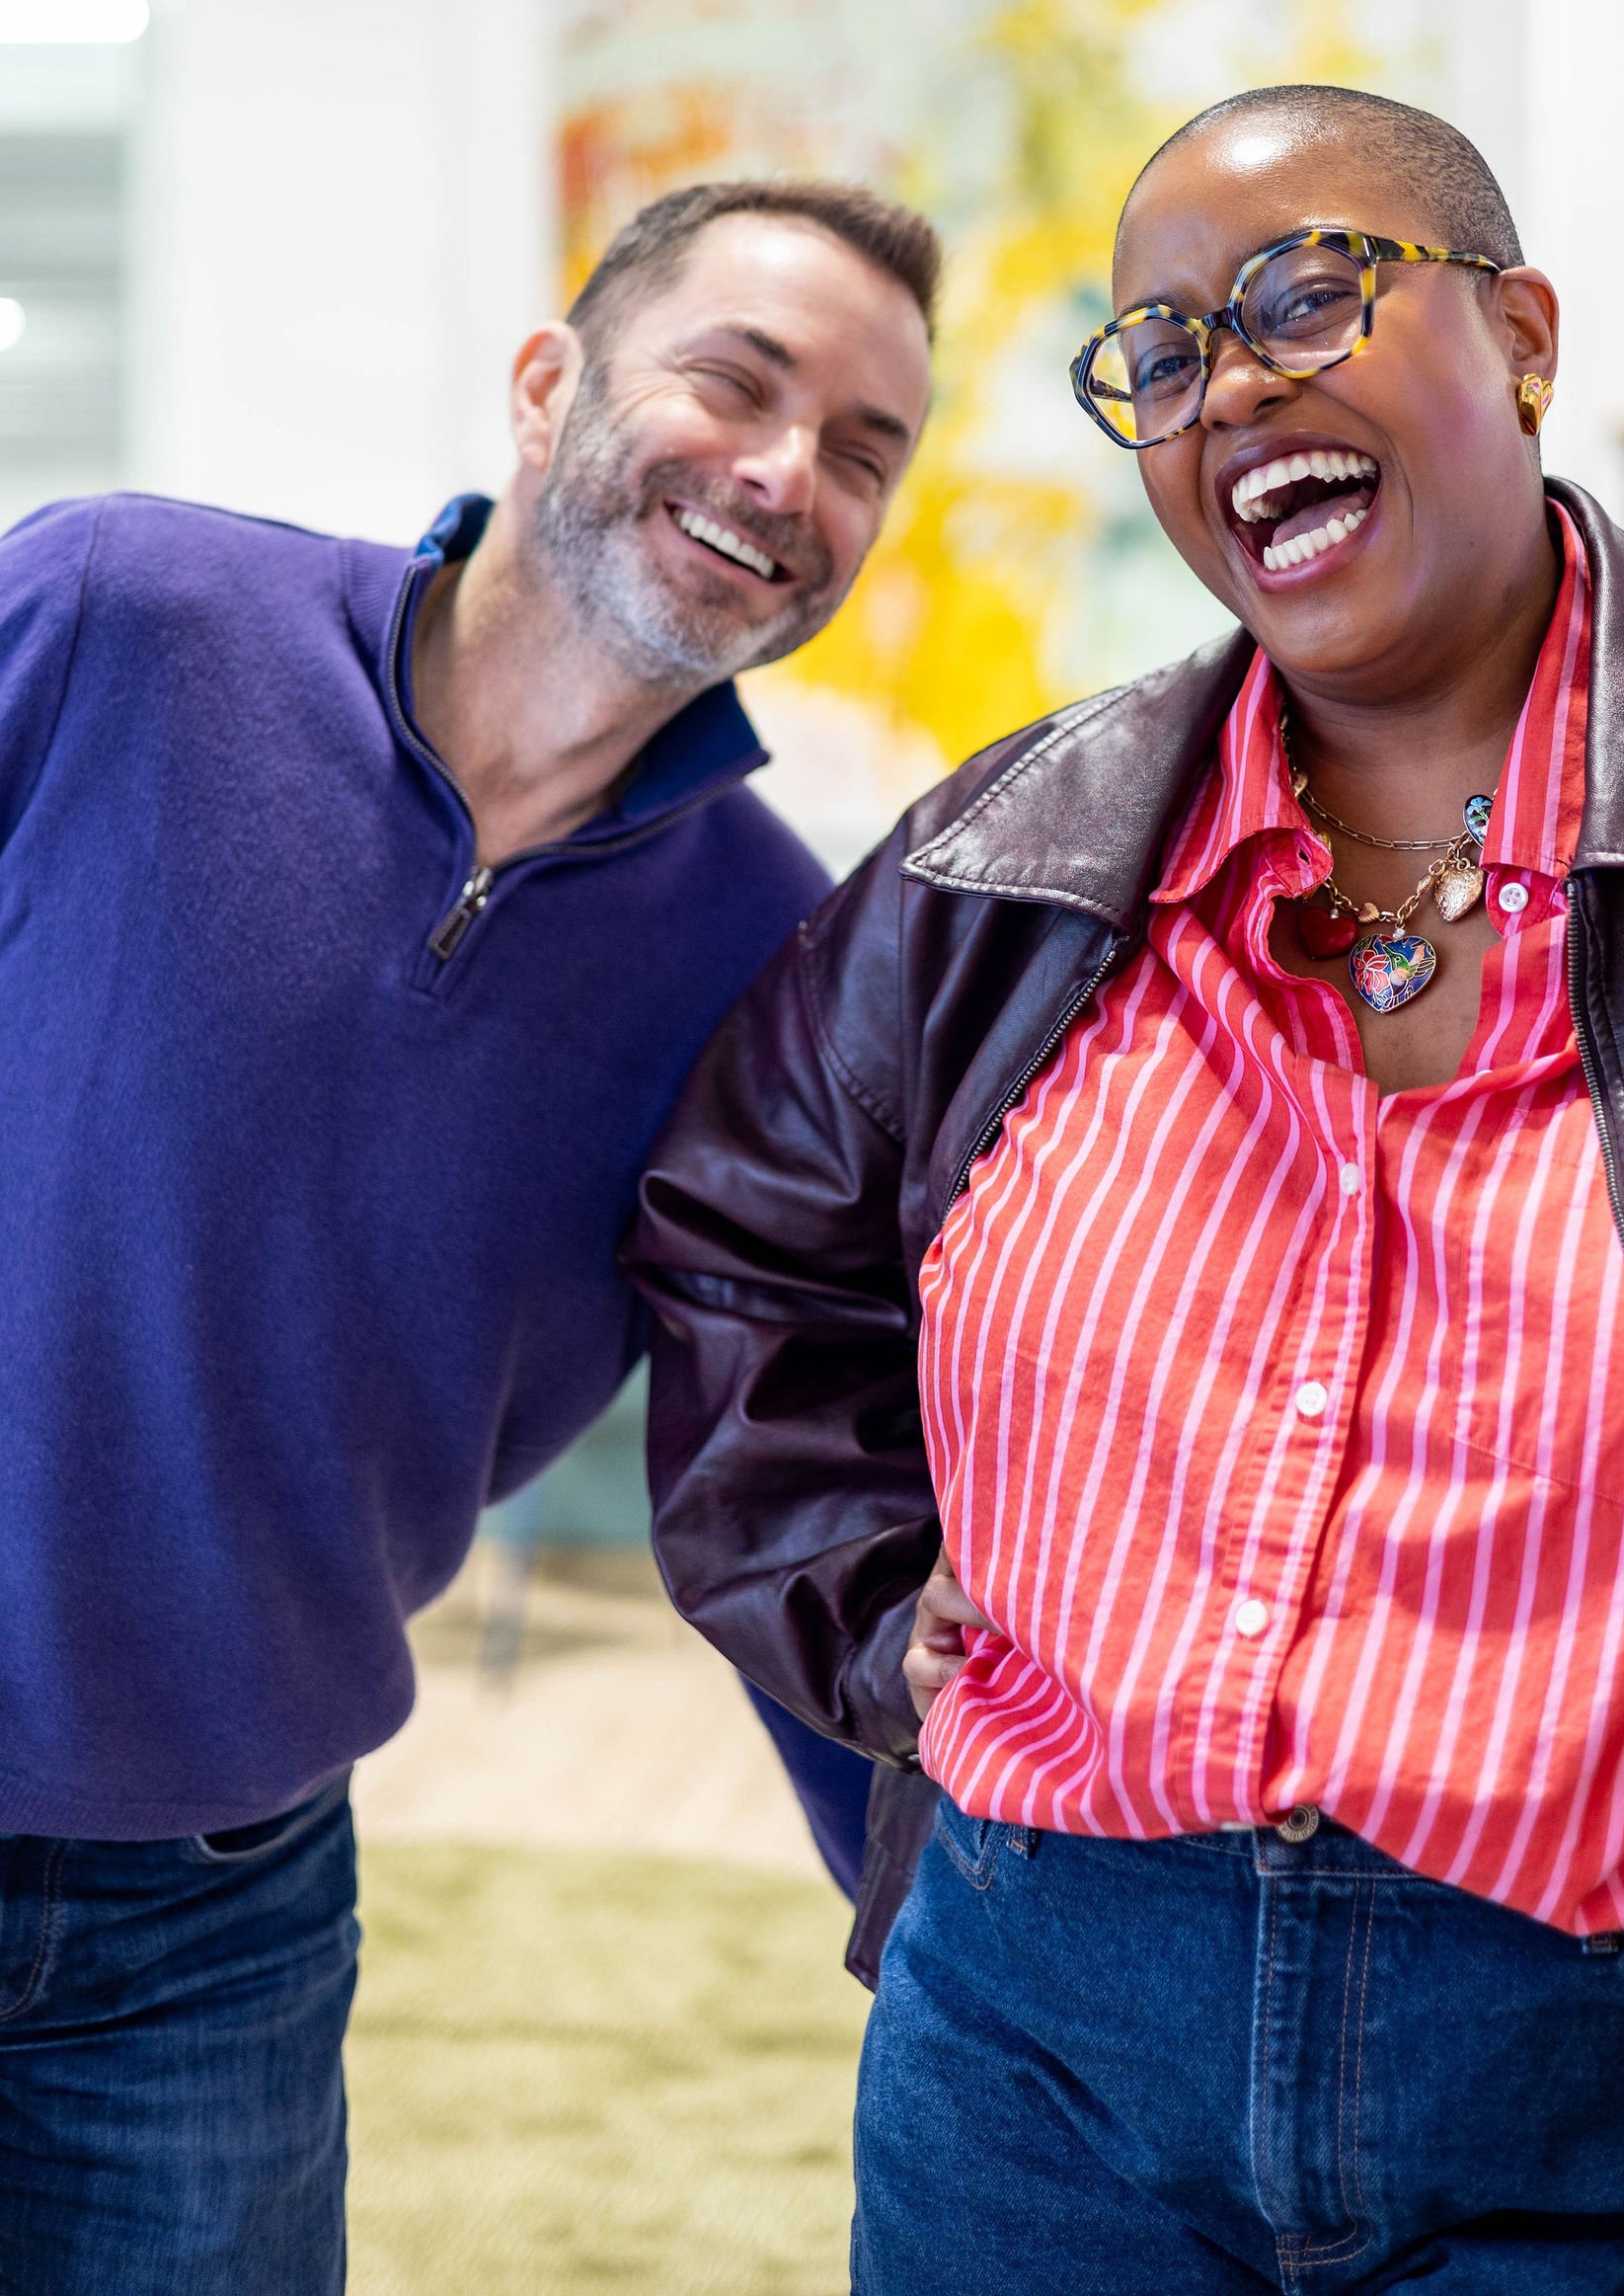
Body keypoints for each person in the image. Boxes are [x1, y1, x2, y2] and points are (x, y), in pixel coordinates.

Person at [631, 88, 1624, 2296]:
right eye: (1161, 355)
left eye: (1305, 294)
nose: (1231, 384)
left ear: (1525, 334)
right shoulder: (1002, 866)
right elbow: (738, 1246)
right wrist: (865, 1603)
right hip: (1041, 2051)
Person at [0, 175, 936, 2293]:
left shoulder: (771, 956)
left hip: (212, 1915)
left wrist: (933, 1911)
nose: (790, 473)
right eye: (739, 380)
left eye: (864, 451)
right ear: (549, 386)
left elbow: (768, 1444)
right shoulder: (118, 616)